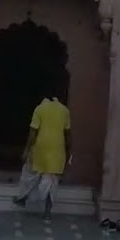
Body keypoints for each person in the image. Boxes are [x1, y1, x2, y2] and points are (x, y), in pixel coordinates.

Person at [13, 83, 71, 218]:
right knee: (52, 181)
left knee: (30, 175)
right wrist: (69, 152)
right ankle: (47, 212)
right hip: (58, 150)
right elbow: (68, 134)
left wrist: (26, 149)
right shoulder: (64, 111)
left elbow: (33, 132)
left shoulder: (39, 109)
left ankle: (22, 198)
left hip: (40, 149)